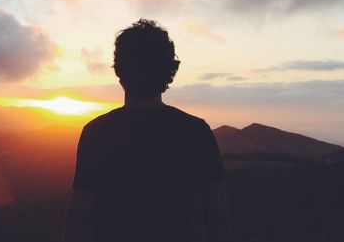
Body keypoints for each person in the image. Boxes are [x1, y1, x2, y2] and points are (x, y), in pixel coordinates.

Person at [63, 19, 230, 242]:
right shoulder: (195, 131)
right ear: (168, 70)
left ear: (119, 70)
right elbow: (217, 215)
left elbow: (80, 218)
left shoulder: (97, 133)